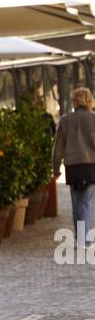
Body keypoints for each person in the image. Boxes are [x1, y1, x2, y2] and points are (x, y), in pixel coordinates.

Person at [53, 86, 95, 249]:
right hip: (91, 166)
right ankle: (84, 239)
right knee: (87, 203)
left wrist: (56, 169)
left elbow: (58, 148)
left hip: (73, 168)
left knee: (77, 204)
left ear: (76, 102)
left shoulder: (65, 120)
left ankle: (80, 238)